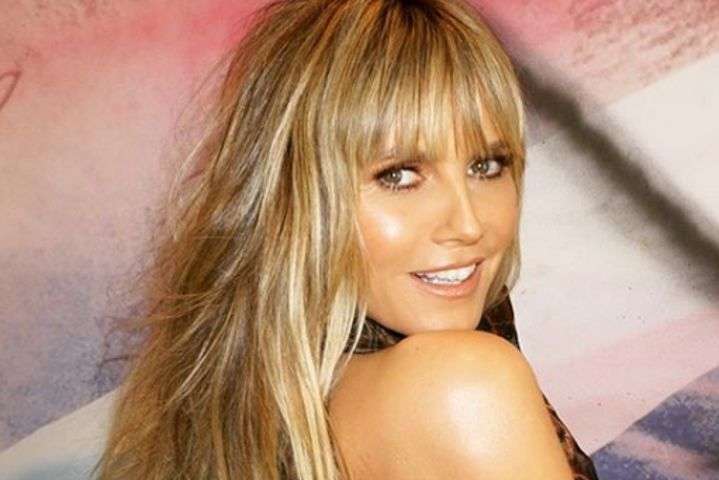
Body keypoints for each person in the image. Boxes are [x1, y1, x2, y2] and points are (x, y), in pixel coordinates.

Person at [91, 0, 599, 479]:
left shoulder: (253, 410)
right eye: (399, 175)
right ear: (293, 194)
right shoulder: (462, 386)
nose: (467, 224)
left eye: (486, 166)